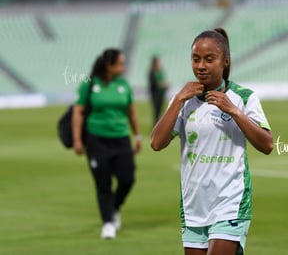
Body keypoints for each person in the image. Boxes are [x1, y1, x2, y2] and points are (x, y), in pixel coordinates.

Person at [150, 28, 274, 255]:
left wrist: (234, 111)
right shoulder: (184, 100)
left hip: (230, 203)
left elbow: (267, 144)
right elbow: (157, 143)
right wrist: (178, 99)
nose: (201, 66)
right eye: (196, 59)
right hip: (194, 205)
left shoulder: (243, 97)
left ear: (225, 61)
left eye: (209, 59)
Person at [72, 48, 142, 239]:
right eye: (120, 63)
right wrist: (78, 140)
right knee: (103, 184)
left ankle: (114, 207)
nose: (123, 66)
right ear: (109, 65)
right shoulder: (89, 84)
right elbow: (78, 112)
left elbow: (131, 112)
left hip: (121, 139)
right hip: (96, 141)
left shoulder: (123, 85)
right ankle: (108, 223)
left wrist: (137, 136)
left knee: (127, 179)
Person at [148, 55, 168, 125]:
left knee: (160, 111)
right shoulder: (152, 72)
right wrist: (161, 85)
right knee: (157, 112)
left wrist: (165, 85)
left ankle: (158, 125)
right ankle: (155, 126)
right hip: (155, 95)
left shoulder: (160, 71)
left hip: (161, 94)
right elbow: (153, 83)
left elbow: (162, 81)